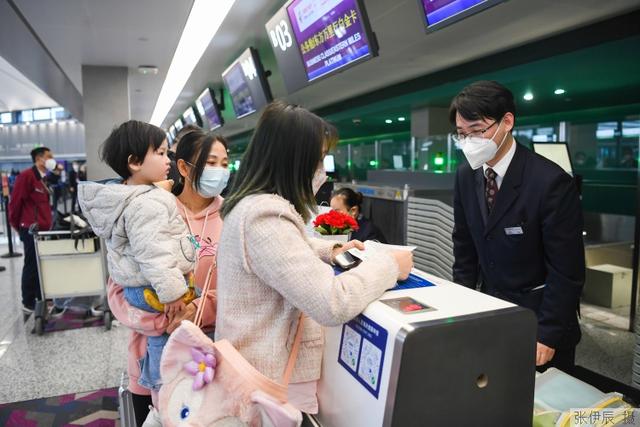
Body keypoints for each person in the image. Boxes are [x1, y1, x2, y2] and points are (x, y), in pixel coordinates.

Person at [216, 101, 413, 415]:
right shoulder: (264, 217)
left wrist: (332, 251)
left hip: (261, 376)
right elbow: (331, 303)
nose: (323, 169)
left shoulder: (252, 206)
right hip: (268, 387)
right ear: (294, 160)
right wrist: (389, 265)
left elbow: (283, 249)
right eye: (319, 158)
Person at [449, 81, 585, 373]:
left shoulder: (550, 182)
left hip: (539, 322)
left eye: (477, 131)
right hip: (488, 313)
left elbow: (567, 270)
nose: (469, 141)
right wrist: (459, 308)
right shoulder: (465, 176)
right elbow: (464, 249)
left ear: (507, 121)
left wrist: (547, 333)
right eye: (462, 134)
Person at [106, 130, 228, 427]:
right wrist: (162, 321)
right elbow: (118, 293)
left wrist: (195, 310)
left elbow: (240, 292)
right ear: (184, 168)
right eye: (212, 162)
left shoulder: (232, 217)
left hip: (212, 357)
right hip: (151, 356)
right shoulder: (151, 211)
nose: (220, 171)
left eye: (226, 164)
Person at [78, 120, 196, 412]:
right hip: (153, 288)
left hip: (140, 286)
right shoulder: (148, 204)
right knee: (164, 337)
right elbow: (154, 254)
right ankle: (164, 387)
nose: (168, 160)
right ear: (134, 162)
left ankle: (161, 385)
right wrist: (173, 294)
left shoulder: (133, 196)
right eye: (160, 152)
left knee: (160, 336)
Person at [9, 147, 56, 313]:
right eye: (49, 156)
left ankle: (41, 297)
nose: (52, 159)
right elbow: (14, 205)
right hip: (30, 229)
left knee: (40, 263)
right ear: (39, 159)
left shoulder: (43, 178)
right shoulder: (26, 176)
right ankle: (28, 301)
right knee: (31, 264)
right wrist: (18, 226)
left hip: (43, 229)